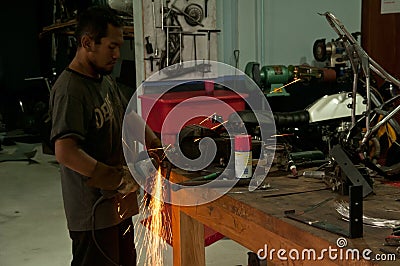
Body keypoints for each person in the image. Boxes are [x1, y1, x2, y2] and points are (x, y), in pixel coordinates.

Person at [49, 5, 160, 266]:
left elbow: (128, 116)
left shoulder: (103, 78)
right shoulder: (70, 90)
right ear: (87, 42)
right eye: (111, 46)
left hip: (116, 208)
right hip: (92, 214)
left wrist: (154, 144)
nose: (117, 54)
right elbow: (65, 151)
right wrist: (114, 178)